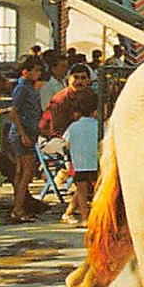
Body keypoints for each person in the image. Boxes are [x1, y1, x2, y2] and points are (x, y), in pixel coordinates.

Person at [40, 65, 100, 225]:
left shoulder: (90, 96)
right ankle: (67, 169)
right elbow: (55, 130)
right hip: (53, 138)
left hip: (80, 136)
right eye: (76, 77)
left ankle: (70, 210)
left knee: (86, 178)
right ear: (69, 79)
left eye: (83, 78)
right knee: (81, 169)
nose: (80, 81)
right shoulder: (60, 99)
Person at [5, 56, 45, 222]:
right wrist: (23, 134)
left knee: (21, 171)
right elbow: (13, 112)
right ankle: (18, 208)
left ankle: (19, 206)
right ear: (25, 71)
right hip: (23, 133)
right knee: (26, 172)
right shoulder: (21, 88)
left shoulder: (30, 87)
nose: (38, 73)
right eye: (35, 70)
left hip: (30, 131)